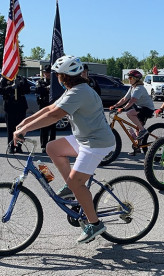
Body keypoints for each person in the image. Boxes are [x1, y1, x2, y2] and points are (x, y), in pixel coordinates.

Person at [13, 55, 116, 244]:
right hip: (85, 139)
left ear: (64, 76)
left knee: (77, 183)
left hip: (97, 143)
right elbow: (50, 107)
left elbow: (55, 115)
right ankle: (72, 187)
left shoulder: (80, 92)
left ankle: (95, 223)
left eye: (58, 75)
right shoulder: (74, 89)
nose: (57, 78)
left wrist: (26, 129)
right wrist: (25, 122)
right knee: (53, 147)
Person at [109, 70, 155, 155]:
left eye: (130, 78)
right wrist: (115, 105)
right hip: (141, 107)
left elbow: (132, 100)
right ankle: (137, 148)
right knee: (137, 128)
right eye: (128, 77)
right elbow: (124, 99)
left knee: (129, 113)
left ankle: (143, 130)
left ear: (136, 79)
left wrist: (123, 108)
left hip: (147, 108)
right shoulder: (132, 87)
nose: (129, 79)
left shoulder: (139, 88)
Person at [0, 74, 30, 153]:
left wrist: (19, 85)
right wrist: (11, 87)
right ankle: (11, 146)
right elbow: (0, 90)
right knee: (10, 128)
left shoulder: (22, 78)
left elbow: (27, 90)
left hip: (20, 106)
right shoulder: (4, 79)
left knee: (20, 128)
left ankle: (19, 146)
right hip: (10, 106)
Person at [36, 65, 56, 153]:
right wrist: (47, 88)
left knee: (52, 127)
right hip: (43, 105)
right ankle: (44, 145)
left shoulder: (55, 82)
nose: (47, 74)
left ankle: (51, 144)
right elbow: (38, 90)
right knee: (43, 126)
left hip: (53, 106)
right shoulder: (40, 81)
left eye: (48, 73)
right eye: (46, 73)